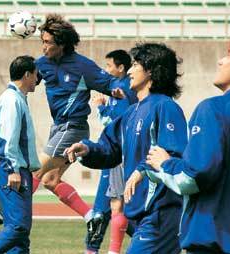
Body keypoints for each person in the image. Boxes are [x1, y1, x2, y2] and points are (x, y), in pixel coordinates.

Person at [134, 32, 230, 253]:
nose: (220, 61)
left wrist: (164, 163)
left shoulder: (212, 109)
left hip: (213, 243)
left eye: (228, 55)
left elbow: (193, 177)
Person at [0, 13, 118, 238]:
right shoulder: (41, 64)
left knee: (36, 169)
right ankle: (93, 216)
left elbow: (110, 83)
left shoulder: (82, 66)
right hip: (58, 128)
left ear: (61, 44)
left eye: (47, 42)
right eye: (41, 41)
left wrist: (119, 91)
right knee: (51, 181)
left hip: (73, 127)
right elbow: (25, 79)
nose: (43, 47)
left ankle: (0, 209)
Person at [65, 43, 187, 254]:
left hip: (161, 214)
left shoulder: (166, 107)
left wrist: (141, 170)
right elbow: (109, 148)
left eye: (136, 65)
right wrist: (87, 149)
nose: (129, 71)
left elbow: (172, 153)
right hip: (140, 215)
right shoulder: (131, 113)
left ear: (151, 71)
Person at [0, 55, 41, 253]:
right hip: (12, 171)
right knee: (18, 227)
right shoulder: (12, 101)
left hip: (15, 170)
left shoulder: (16, 99)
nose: (38, 79)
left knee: (21, 235)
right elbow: (8, 139)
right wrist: (12, 170)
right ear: (27, 74)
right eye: (35, 74)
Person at [86, 50, 136, 254]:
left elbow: (115, 122)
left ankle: (95, 249)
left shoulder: (123, 89)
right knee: (111, 207)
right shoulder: (119, 87)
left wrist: (100, 107)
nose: (106, 69)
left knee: (107, 207)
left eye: (109, 65)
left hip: (116, 154)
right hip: (115, 152)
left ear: (121, 67)